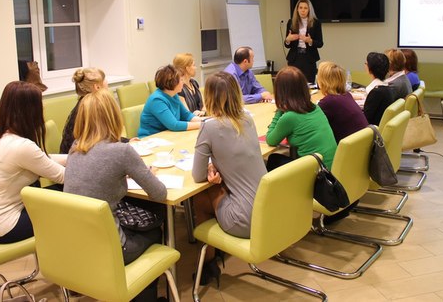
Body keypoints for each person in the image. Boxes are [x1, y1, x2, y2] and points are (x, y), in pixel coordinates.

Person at [64, 89, 167, 302]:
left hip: (76, 245)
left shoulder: (75, 148)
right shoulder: (122, 151)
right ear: (114, 116)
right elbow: (159, 193)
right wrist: (146, 173)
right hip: (112, 248)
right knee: (156, 230)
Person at [192, 71, 267, 286]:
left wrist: (211, 167)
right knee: (219, 187)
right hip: (267, 211)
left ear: (209, 97)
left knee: (201, 197)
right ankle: (213, 257)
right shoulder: (248, 119)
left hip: (244, 220)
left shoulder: (210, 126)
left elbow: (198, 175)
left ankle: (207, 263)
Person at [0, 81, 66, 244]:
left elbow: (42, 160)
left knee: (59, 195)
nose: (44, 107)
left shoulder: (6, 137)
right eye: (40, 103)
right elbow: (64, 177)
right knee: (72, 205)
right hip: (4, 226)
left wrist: (74, 157)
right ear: (30, 110)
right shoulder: (22, 147)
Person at [265, 66, 337, 171]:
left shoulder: (290, 117)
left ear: (280, 92)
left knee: (273, 160)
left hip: (318, 174)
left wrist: (279, 110)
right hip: (332, 168)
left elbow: (270, 140)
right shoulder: (315, 108)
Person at [138, 65, 203, 137]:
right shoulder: (156, 100)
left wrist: (205, 121)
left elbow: (187, 115)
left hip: (167, 135)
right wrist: (202, 124)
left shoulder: (174, 95)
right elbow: (174, 125)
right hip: (151, 138)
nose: (183, 83)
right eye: (181, 80)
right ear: (172, 82)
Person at [316, 61, 369, 143]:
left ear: (322, 81)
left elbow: (312, 123)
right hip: (363, 144)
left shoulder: (329, 102)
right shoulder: (347, 95)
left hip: (349, 147)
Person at [60, 67, 109, 153]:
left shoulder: (85, 103)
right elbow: (102, 139)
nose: (107, 82)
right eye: (104, 79)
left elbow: (104, 136)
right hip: (78, 156)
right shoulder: (92, 109)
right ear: (97, 87)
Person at [284, 0, 324, 83]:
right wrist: (288, 40)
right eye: (300, 8)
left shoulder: (316, 23)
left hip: (309, 58)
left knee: (308, 84)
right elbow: (287, 45)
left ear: (309, 10)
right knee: (293, 84)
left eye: (305, 8)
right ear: (297, 9)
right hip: (295, 58)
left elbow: (320, 43)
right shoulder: (291, 22)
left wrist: (310, 41)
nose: (303, 10)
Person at [363, 52, 396, 126]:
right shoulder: (386, 87)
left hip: (372, 130)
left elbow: (365, 119)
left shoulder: (376, 92)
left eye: (366, 63)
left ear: (370, 68)